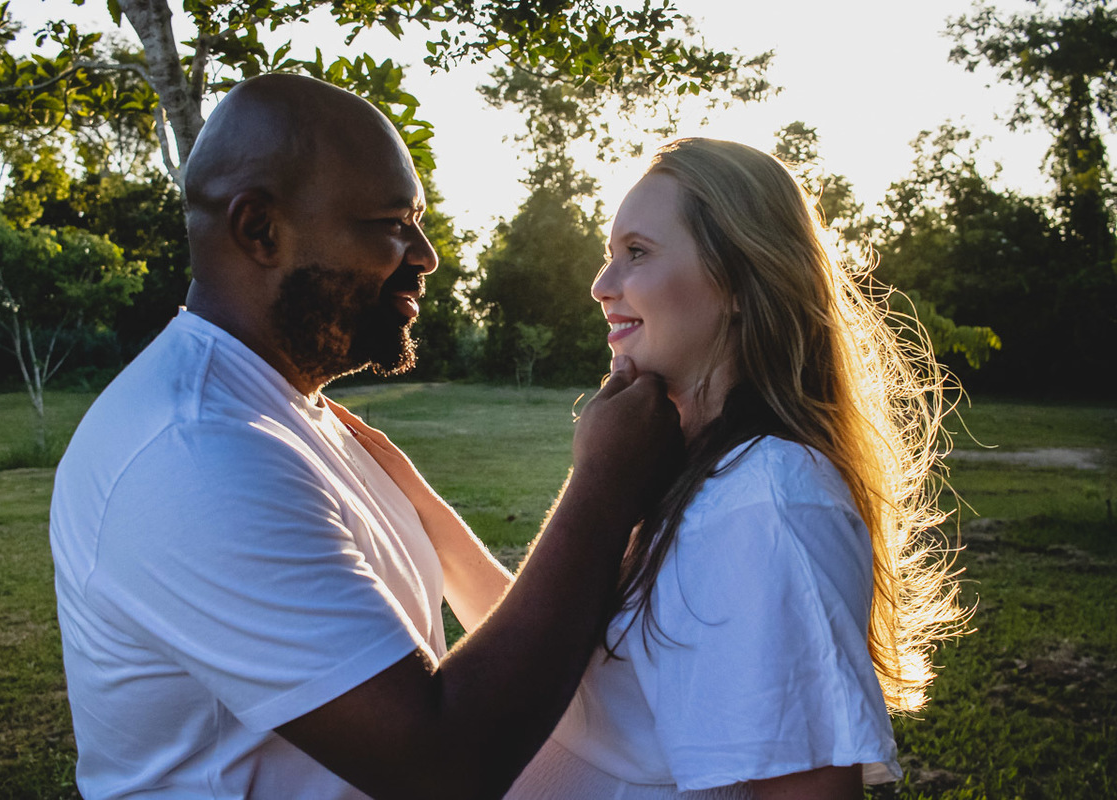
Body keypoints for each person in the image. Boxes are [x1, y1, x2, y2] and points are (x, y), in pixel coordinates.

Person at [48, 74, 682, 800]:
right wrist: (601, 493)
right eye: (391, 223)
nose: (426, 254)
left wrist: (420, 500)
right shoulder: (193, 453)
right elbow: (441, 765)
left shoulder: (290, 412)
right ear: (261, 230)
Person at [353, 138, 966, 799]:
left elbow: (808, 790)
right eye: (608, 255)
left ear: (737, 280)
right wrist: (417, 500)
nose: (600, 286)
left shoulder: (769, 497)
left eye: (636, 254)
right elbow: (578, 682)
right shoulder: (695, 474)